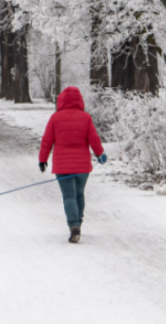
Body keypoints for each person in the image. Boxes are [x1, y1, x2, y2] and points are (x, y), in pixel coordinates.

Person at [38, 86, 106, 244]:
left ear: (61, 100)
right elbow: (94, 139)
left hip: (62, 166)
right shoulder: (85, 118)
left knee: (69, 195)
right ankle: (78, 222)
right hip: (82, 166)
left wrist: (42, 160)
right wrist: (100, 154)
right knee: (79, 194)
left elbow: (46, 141)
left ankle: (74, 225)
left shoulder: (55, 118)